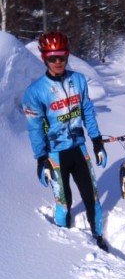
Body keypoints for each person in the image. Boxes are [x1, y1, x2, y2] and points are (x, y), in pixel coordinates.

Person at [22, 31, 108, 252]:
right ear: (44, 58)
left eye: (61, 56)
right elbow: (34, 129)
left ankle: (98, 235)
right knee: (64, 202)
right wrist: (41, 159)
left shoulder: (78, 80)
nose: (58, 62)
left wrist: (97, 140)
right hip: (55, 155)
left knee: (92, 197)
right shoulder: (35, 92)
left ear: (67, 55)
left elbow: (87, 110)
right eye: (52, 57)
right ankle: (63, 249)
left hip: (79, 149)